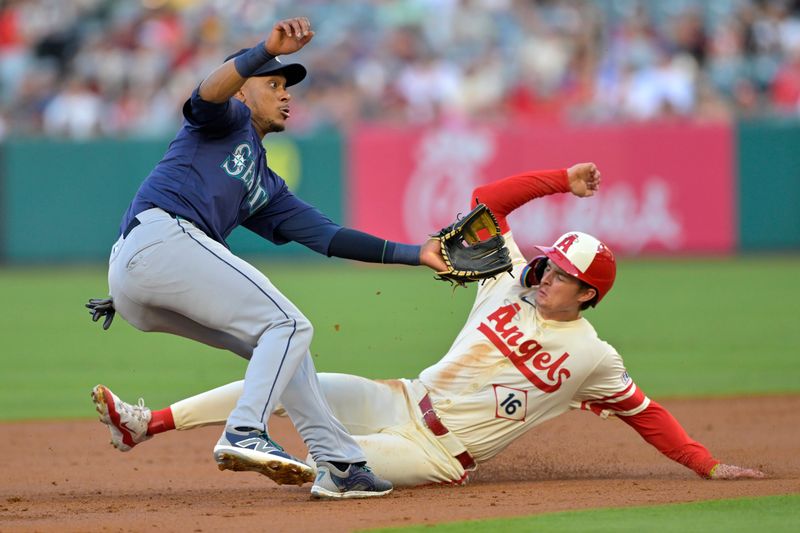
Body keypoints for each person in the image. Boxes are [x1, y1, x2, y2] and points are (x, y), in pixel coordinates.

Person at [93, 163, 764, 487]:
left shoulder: (592, 356)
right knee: (296, 374)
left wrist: (705, 465)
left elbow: (645, 413)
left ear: (587, 293)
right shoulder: (508, 277)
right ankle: (144, 424)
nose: (548, 272)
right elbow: (486, 204)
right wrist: (560, 178)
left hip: (436, 456)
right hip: (403, 397)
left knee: (336, 479)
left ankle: (306, 462)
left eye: (562, 273)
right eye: (552, 261)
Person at [89, 17, 448, 500]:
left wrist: (416, 254)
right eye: (273, 84)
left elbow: (327, 236)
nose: (286, 94)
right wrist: (262, 50)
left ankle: (340, 462)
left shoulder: (265, 183)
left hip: (144, 276)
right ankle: (244, 431)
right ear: (244, 92)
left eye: (287, 87)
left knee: (283, 350)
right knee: (290, 326)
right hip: (159, 240)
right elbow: (206, 94)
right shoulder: (225, 119)